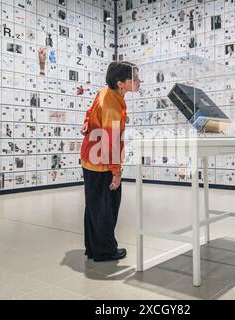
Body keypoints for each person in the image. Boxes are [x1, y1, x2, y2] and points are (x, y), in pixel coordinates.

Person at [80, 61, 141, 262]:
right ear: (120, 82)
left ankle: (94, 248)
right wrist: (116, 172)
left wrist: (88, 124)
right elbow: (112, 140)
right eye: (134, 78)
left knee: (95, 206)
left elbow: (90, 115)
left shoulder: (109, 93)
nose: (138, 81)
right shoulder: (111, 102)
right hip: (101, 162)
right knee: (106, 208)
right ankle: (105, 251)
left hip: (92, 158)